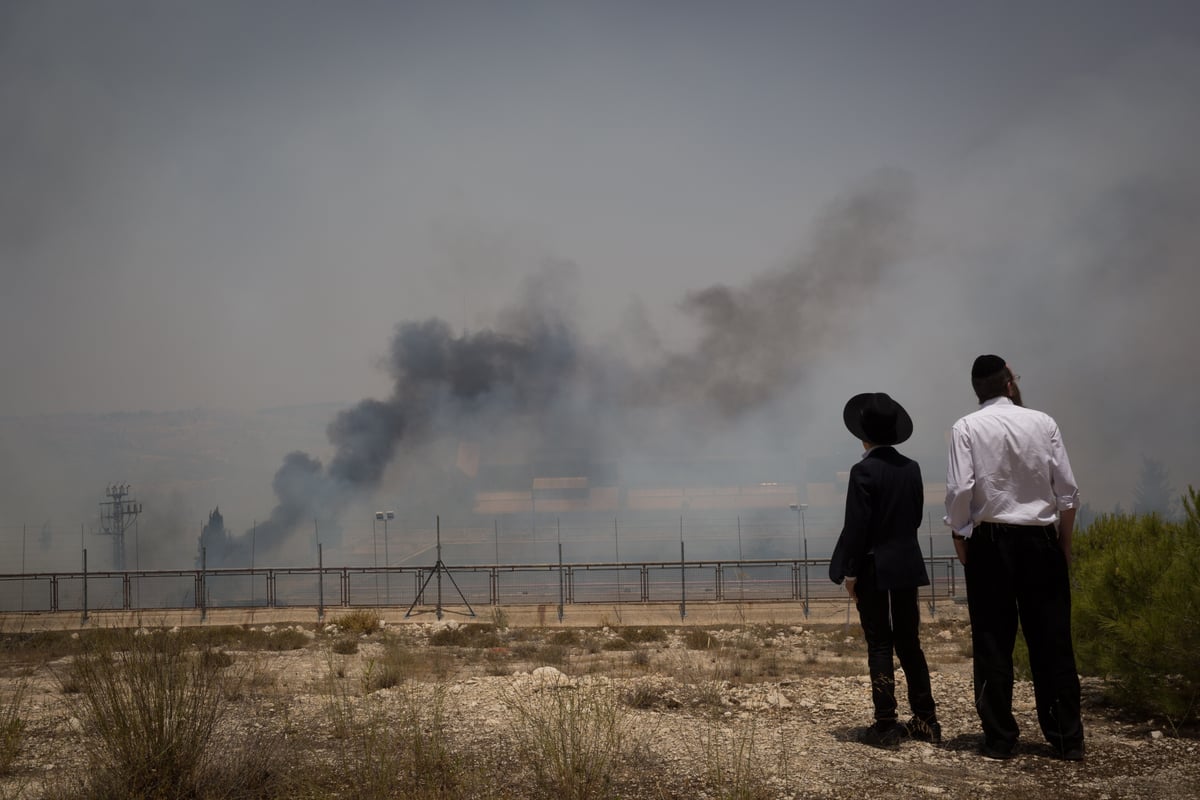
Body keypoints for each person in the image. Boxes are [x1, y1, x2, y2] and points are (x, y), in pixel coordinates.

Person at [944, 355, 1084, 761]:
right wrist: (1064, 542)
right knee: (1053, 641)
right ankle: (1066, 738)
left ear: (977, 390)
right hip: (1040, 539)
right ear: (1009, 384)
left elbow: (959, 491)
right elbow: (1068, 492)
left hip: (990, 542)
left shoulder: (965, 427)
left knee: (992, 641)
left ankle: (1000, 738)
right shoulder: (1044, 422)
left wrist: (960, 535)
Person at [830, 392, 939, 747]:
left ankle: (885, 724)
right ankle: (926, 720)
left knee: (879, 644)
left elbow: (856, 526)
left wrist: (849, 573)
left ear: (863, 434)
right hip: (906, 563)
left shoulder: (862, 471)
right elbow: (917, 517)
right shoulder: (912, 468)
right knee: (910, 643)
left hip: (874, 567)